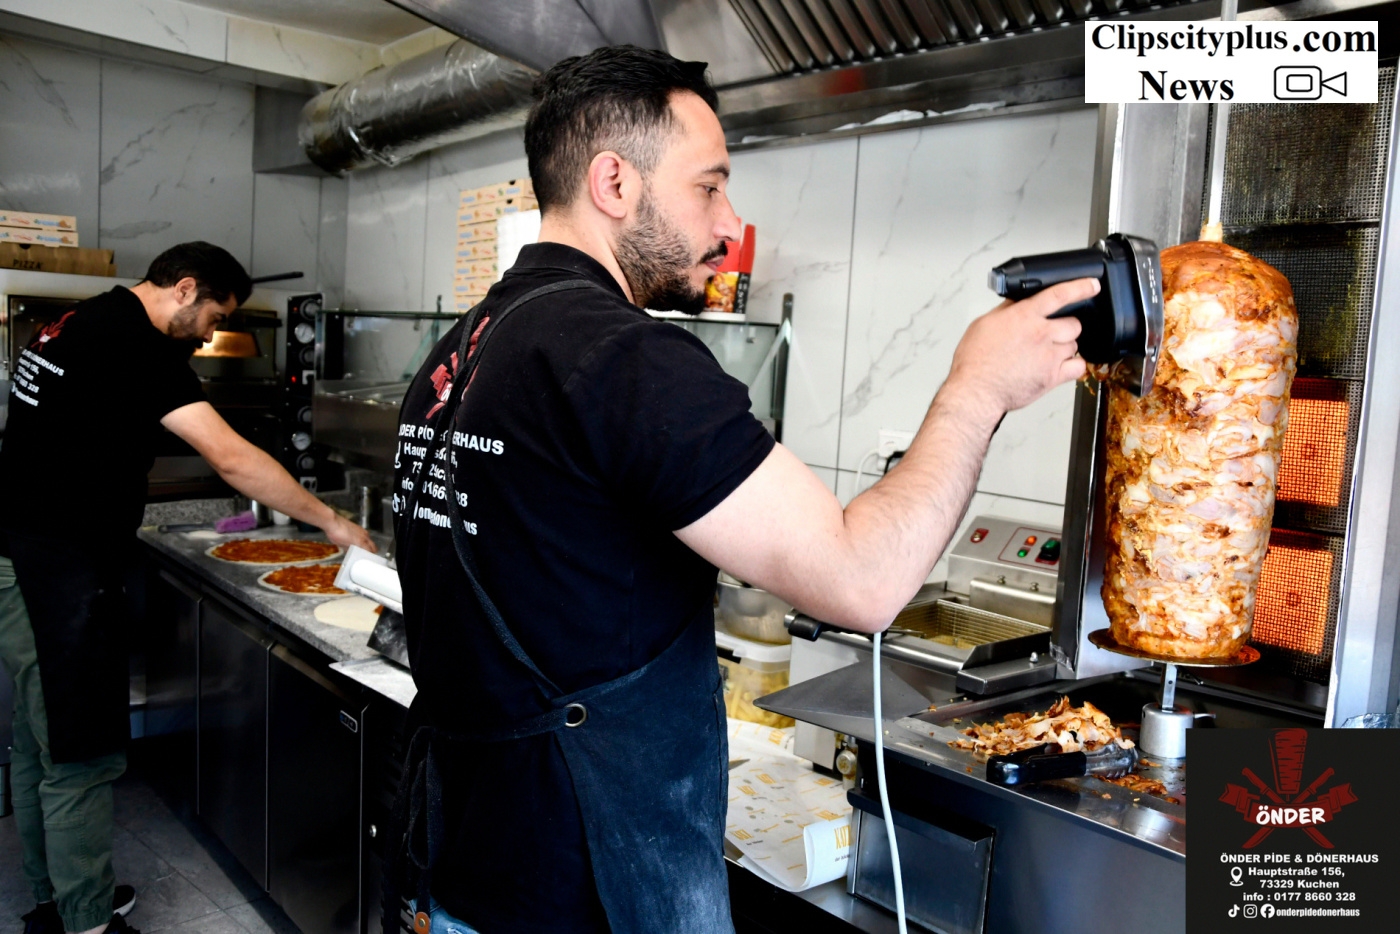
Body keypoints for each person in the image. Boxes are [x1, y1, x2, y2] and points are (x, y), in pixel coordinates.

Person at [390, 47, 1093, 934]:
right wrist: (977, 389)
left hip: (466, 858)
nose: (728, 225)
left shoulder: (468, 344)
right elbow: (864, 582)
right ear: (614, 182)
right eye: (710, 187)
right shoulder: (626, 358)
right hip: (589, 888)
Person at [0, 242, 374, 934]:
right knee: (81, 753)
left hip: (26, 553)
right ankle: (86, 923)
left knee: (41, 743)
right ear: (185, 288)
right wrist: (330, 520)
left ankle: (61, 899)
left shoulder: (81, 319)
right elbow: (230, 457)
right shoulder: (135, 345)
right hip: (54, 570)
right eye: (214, 317)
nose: (208, 336)